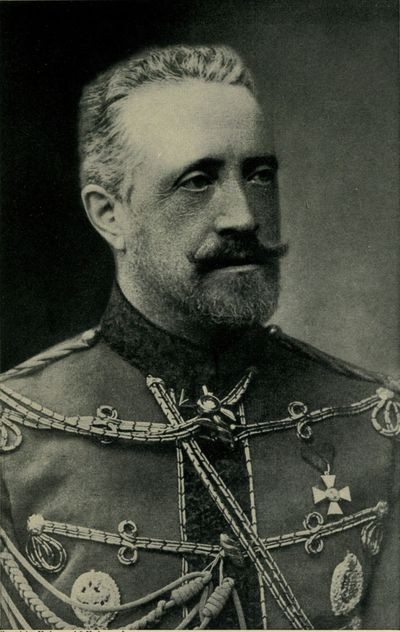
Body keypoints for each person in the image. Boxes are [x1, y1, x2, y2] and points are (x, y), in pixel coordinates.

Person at [0, 45, 399, 630]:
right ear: (110, 214)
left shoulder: (373, 422)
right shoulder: (16, 437)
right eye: (197, 181)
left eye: (259, 175)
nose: (244, 216)